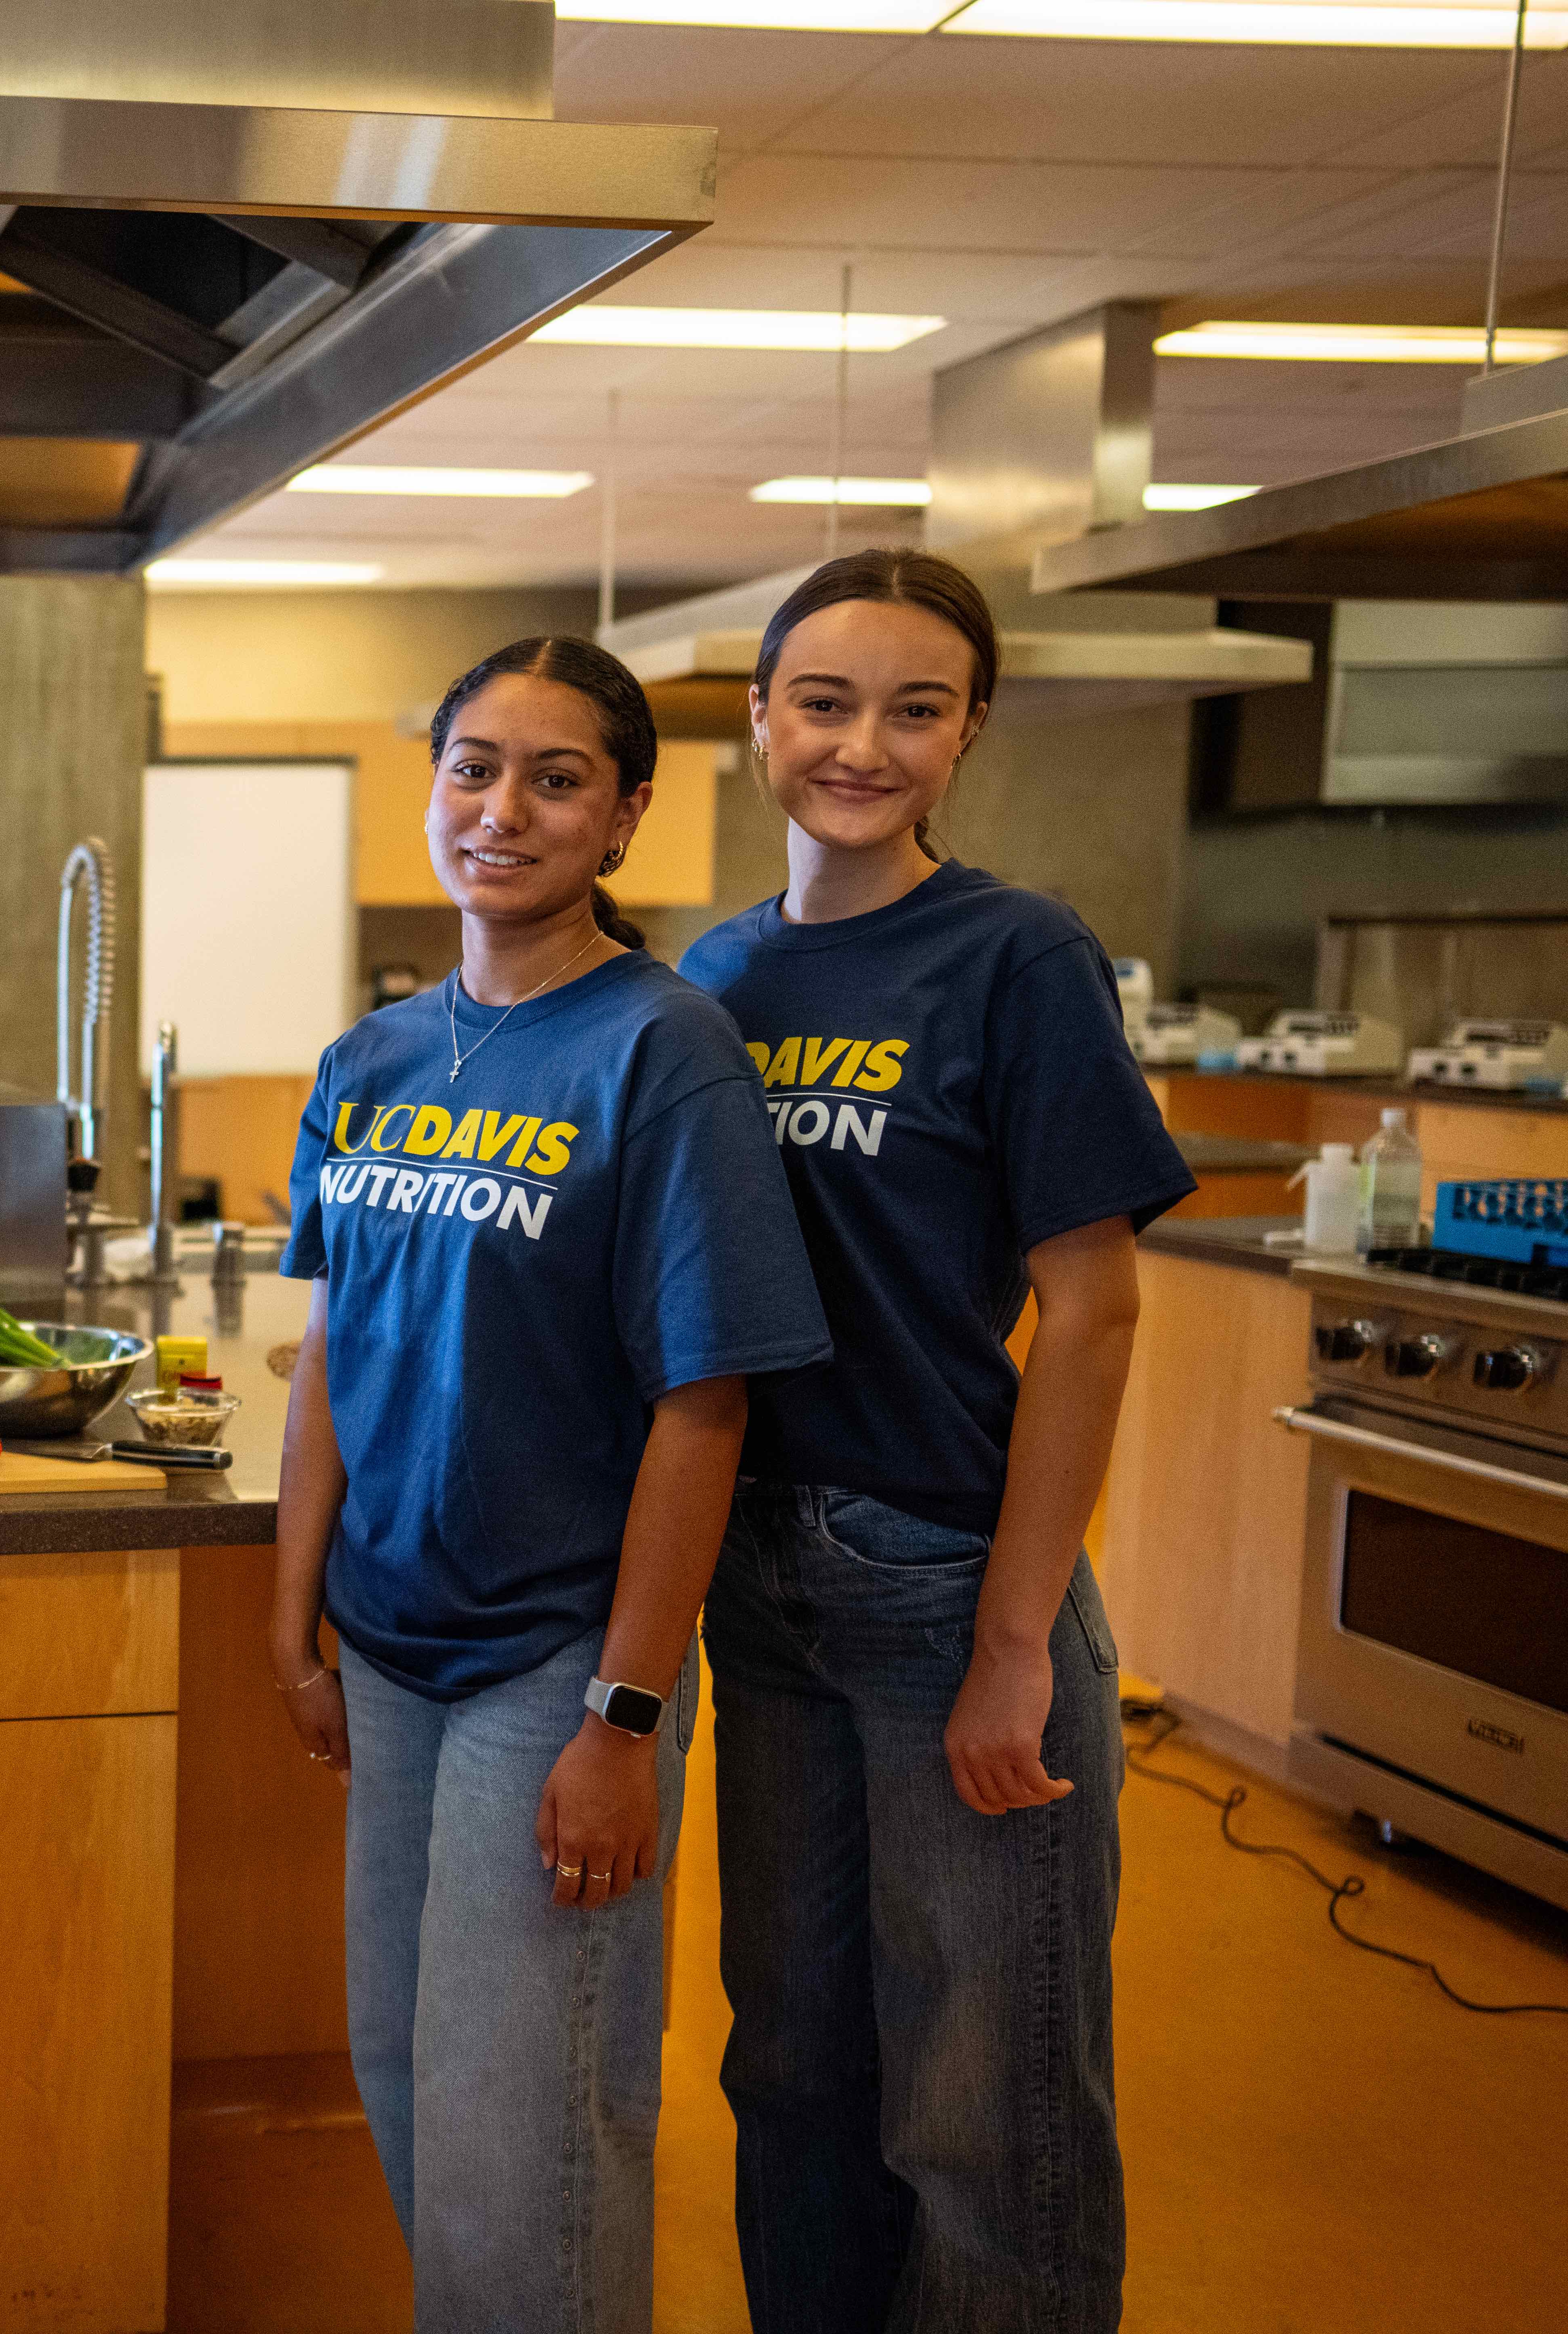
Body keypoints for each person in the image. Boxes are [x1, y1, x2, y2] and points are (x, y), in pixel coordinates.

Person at [271, 637, 830, 2332]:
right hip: (386, 1645)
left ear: (627, 815)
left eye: (557, 777)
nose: (502, 809)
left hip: (548, 1665)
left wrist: (626, 1715)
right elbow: (329, 1366)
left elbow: (705, 1408)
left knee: (529, 2131)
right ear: (430, 785)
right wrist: (294, 1625)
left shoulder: (662, 1055)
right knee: (404, 2074)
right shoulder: (374, 1058)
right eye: (473, 768)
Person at [683, 549, 1186, 2334]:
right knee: (797, 2073)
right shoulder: (715, 978)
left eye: (916, 708)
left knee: (989, 2111)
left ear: (971, 729)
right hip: (761, 1591)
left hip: (946, 1576)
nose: (863, 746)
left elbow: (1096, 1306)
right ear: (758, 720)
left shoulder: (1014, 955)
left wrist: (1013, 1647)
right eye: (825, 702)